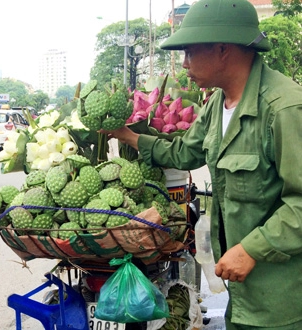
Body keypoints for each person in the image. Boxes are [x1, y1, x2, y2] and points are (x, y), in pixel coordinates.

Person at [102, 0, 302, 329]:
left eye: (190, 52)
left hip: (282, 301)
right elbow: (183, 153)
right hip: (243, 295)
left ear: (223, 49)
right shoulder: (217, 106)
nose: (185, 63)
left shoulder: (283, 109)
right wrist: (127, 136)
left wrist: (252, 249)